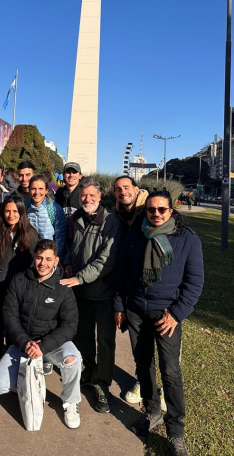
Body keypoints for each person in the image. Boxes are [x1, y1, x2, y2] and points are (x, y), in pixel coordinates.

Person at [113, 191, 204, 456]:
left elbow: (194, 282)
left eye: (161, 210)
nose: (156, 214)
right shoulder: (136, 234)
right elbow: (122, 272)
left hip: (166, 313)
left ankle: (175, 431)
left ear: (171, 210)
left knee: (170, 370)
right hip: (136, 309)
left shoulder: (187, 239)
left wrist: (176, 314)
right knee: (143, 364)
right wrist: (119, 305)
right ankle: (152, 412)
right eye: (151, 210)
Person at [0, 239, 82, 429]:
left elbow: (70, 325)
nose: (43, 263)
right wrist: (25, 343)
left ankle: (71, 402)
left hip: (50, 343)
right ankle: (29, 382)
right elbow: (9, 316)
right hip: (23, 342)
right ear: (34, 257)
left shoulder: (63, 288)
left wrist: (42, 347)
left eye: (48, 259)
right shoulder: (19, 280)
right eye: (39, 258)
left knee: (73, 360)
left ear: (56, 261)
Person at [60, 177, 122, 414]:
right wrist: (67, 263)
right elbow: (69, 245)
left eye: (90, 195)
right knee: (83, 335)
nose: (86, 199)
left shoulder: (110, 222)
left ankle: (102, 384)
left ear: (100, 196)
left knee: (105, 341)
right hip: (80, 292)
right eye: (83, 195)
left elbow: (106, 259)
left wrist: (79, 277)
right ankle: (87, 372)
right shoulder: (76, 218)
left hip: (103, 293)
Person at [113, 175, 166, 409]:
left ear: (136, 188)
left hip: (161, 289)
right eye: (118, 189)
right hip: (133, 286)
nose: (123, 192)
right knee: (140, 345)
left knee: (166, 349)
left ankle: (162, 389)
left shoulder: (151, 209)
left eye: (127, 187)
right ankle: (145, 384)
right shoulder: (118, 214)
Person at [0, 196, 39, 376]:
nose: (11, 215)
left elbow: (36, 260)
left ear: (21, 212)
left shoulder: (30, 234)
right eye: (7, 211)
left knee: (14, 326)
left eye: (15, 211)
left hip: (19, 289)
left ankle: (12, 361)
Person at [25, 174, 67, 260]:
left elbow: (60, 238)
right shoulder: (24, 206)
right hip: (27, 256)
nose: (37, 192)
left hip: (47, 258)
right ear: (29, 190)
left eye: (41, 189)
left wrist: (57, 260)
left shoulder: (55, 209)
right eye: (33, 189)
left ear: (46, 190)